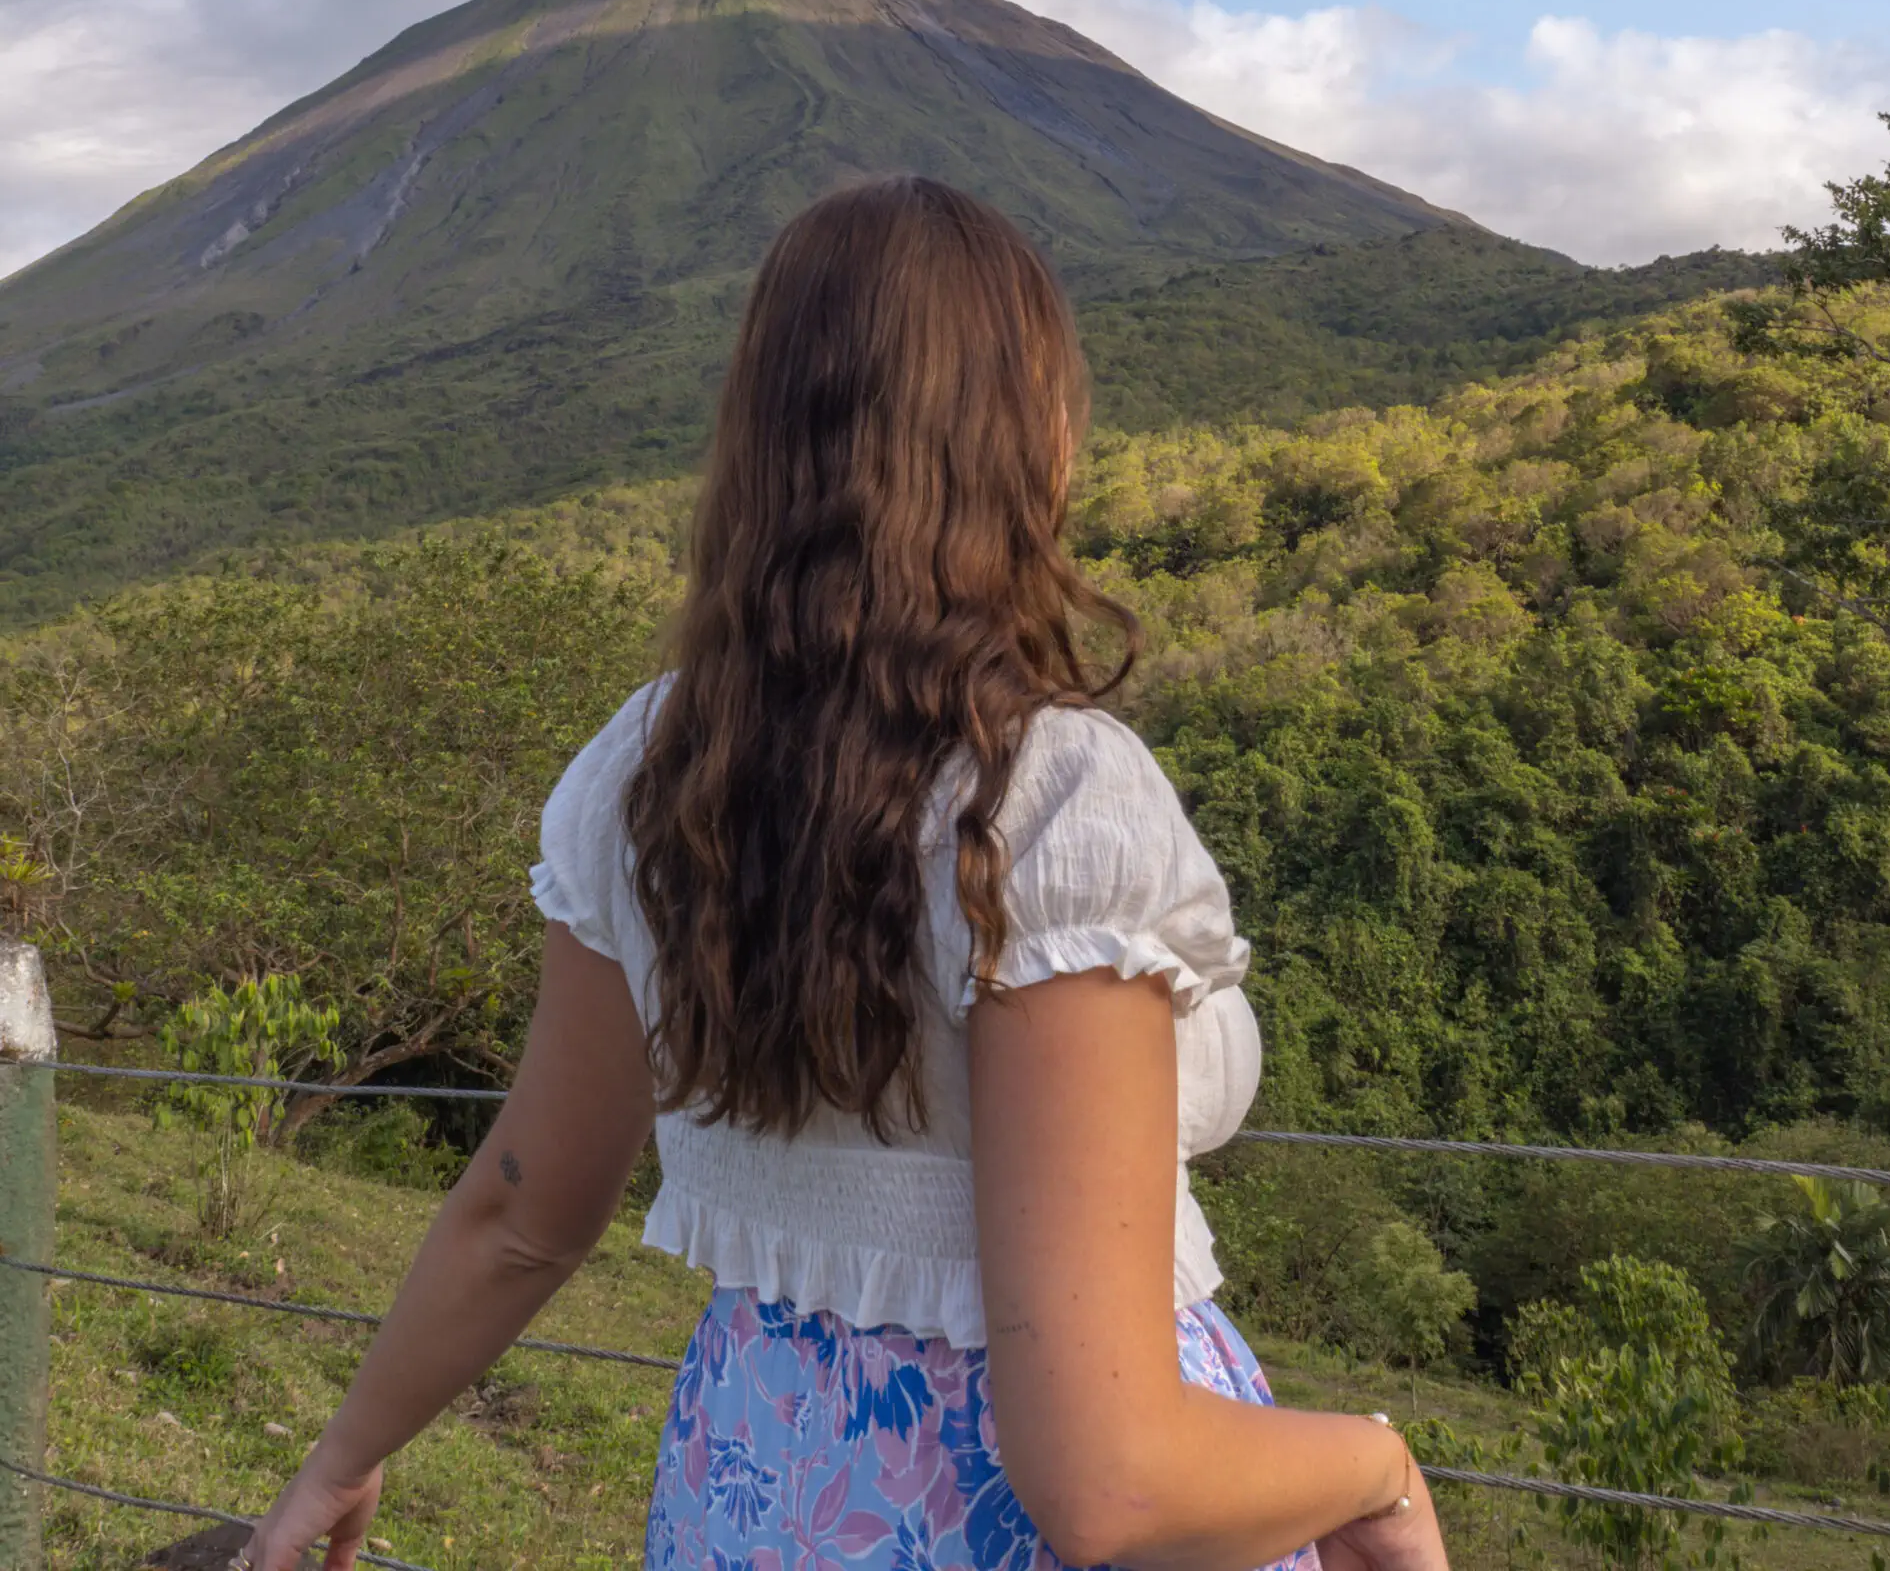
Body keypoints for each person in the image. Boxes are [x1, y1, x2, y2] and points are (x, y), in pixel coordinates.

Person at [248, 176, 1450, 1571]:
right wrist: (1379, 1468)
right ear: (1033, 438)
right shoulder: (1045, 804)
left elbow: (523, 1206)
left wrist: (343, 1460)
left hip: (755, 1489)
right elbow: (1109, 1481)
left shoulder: (647, 777)